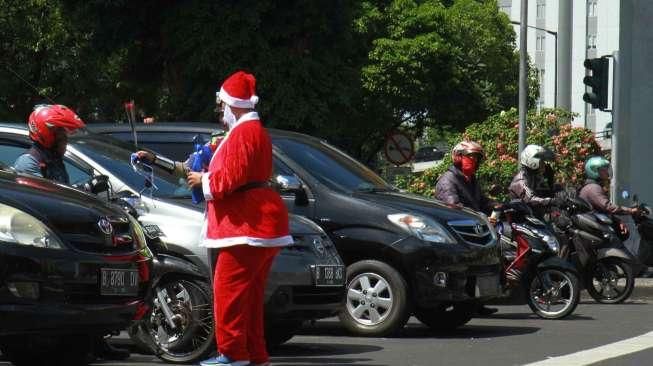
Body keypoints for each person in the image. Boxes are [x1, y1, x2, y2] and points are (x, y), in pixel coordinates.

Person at [186, 71, 293, 366]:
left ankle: (233, 354)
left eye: (222, 106)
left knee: (229, 293)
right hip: (258, 224)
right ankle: (254, 354)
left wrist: (202, 180)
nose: (221, 113)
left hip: (245, 225)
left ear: (232, 104)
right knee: (249, 297)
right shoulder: (252, 131)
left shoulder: (245, 132)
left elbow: (229, 178)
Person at [13, 104, 131, 361]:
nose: (66, 140)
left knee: (94, 289)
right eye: (61, 135)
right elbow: (46, 197)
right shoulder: (30, 162)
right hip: (46, 240)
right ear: (46, 135)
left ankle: (96, 340)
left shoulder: (55, 162)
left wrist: (89, 190)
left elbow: (64, 192)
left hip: (68, 235)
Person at [435, 140, 499, 316]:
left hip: (475, 230)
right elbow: (454, 206)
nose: (474, 161)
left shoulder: (470, 179)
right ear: (458, 157)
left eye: (477, 158)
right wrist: (482, 217)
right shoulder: (448, 180)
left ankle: (476, 303)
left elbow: (481, 201)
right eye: (470, 157)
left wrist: (498, 205)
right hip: (455, 233)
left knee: (479, 267)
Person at [509, 144, 562, 218]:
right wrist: (552, 201)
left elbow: (547, 190)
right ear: (532, 163)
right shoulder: (520, 181)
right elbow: (531, 200)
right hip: (524, 219)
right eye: (541, 161)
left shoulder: (536, 176)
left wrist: (560, 191)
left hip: (537, 214)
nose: (544, 164)